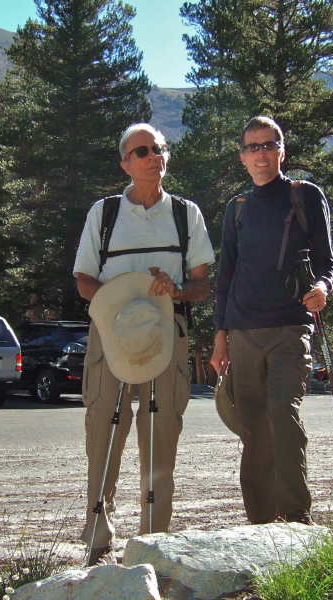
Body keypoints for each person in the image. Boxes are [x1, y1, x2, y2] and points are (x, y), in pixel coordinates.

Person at [73, 123, 215, 565]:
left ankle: (152, 545)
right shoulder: (106, 212)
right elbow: (82, 280)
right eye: (143, 151)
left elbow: (202, 286)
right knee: (104, 434)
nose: (154, 156)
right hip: (109, 339)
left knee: (161, 440)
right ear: (125, 164)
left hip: (165, 338)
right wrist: (121, 312)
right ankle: (98, 542)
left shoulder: (185, 214)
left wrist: (174, 293)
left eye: (159, 148)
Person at [209, 116, 333, 525]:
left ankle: (296, 518)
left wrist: (323, 287)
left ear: (281, 151)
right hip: (243, 330)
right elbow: (226, 274)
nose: (260, 154)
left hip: (290, 326)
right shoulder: (238, 209)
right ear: (242, 157)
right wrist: (220, 337)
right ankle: (261, 525)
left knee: (283, 410)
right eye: (252, 147)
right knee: (253, 426)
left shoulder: (306, 197)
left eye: (268, 145)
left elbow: (326, 261)